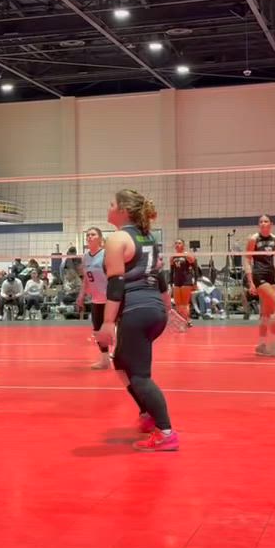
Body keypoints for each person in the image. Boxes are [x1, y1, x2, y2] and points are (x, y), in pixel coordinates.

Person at [95, 189, 182, 452]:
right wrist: (167, 308)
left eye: (112, 204)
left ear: (123, 210)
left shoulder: (118, 238)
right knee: (121, 362)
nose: (108, 207)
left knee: (140, 375)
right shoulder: (148, 237)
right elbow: (160, 276)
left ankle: (165, 432)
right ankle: (147, 414)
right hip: (152, 310)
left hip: (136, 310)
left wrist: (107, 323)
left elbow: (116, 285)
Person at [245, 214, 275, 357]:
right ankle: (273, 342)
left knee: (266, 313)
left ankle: (261, 345)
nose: (263, 223)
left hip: (271, 275)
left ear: (271, 224)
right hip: (259, 275)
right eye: (261, 221)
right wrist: (250, 281)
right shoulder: (253, 239)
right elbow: (247, 259)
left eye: (266, 221)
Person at [81, 227, 110, 370]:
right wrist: (81, 295)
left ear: (100, 238)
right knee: (97, 331)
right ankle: (105, 359)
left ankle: (121, 355)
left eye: (93, 234)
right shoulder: (85, 257)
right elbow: (86, 279)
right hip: (96, 299)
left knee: (113, 329)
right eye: (87, 235)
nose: (89, 237)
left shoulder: (106, 254)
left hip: (110, 299)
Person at [168, 239, 198, 325]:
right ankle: (182, 320)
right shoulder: (173, 257)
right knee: (178, 304)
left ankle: (187, 320)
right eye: (176, 243)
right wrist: (170, 282)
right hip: (177, 281)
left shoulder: (188, 255)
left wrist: (195, 282)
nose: (177, 245)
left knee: (185, 304)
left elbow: (195, 269)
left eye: (179, 243)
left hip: (186, 281)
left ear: (183, 245)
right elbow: (171, 271)